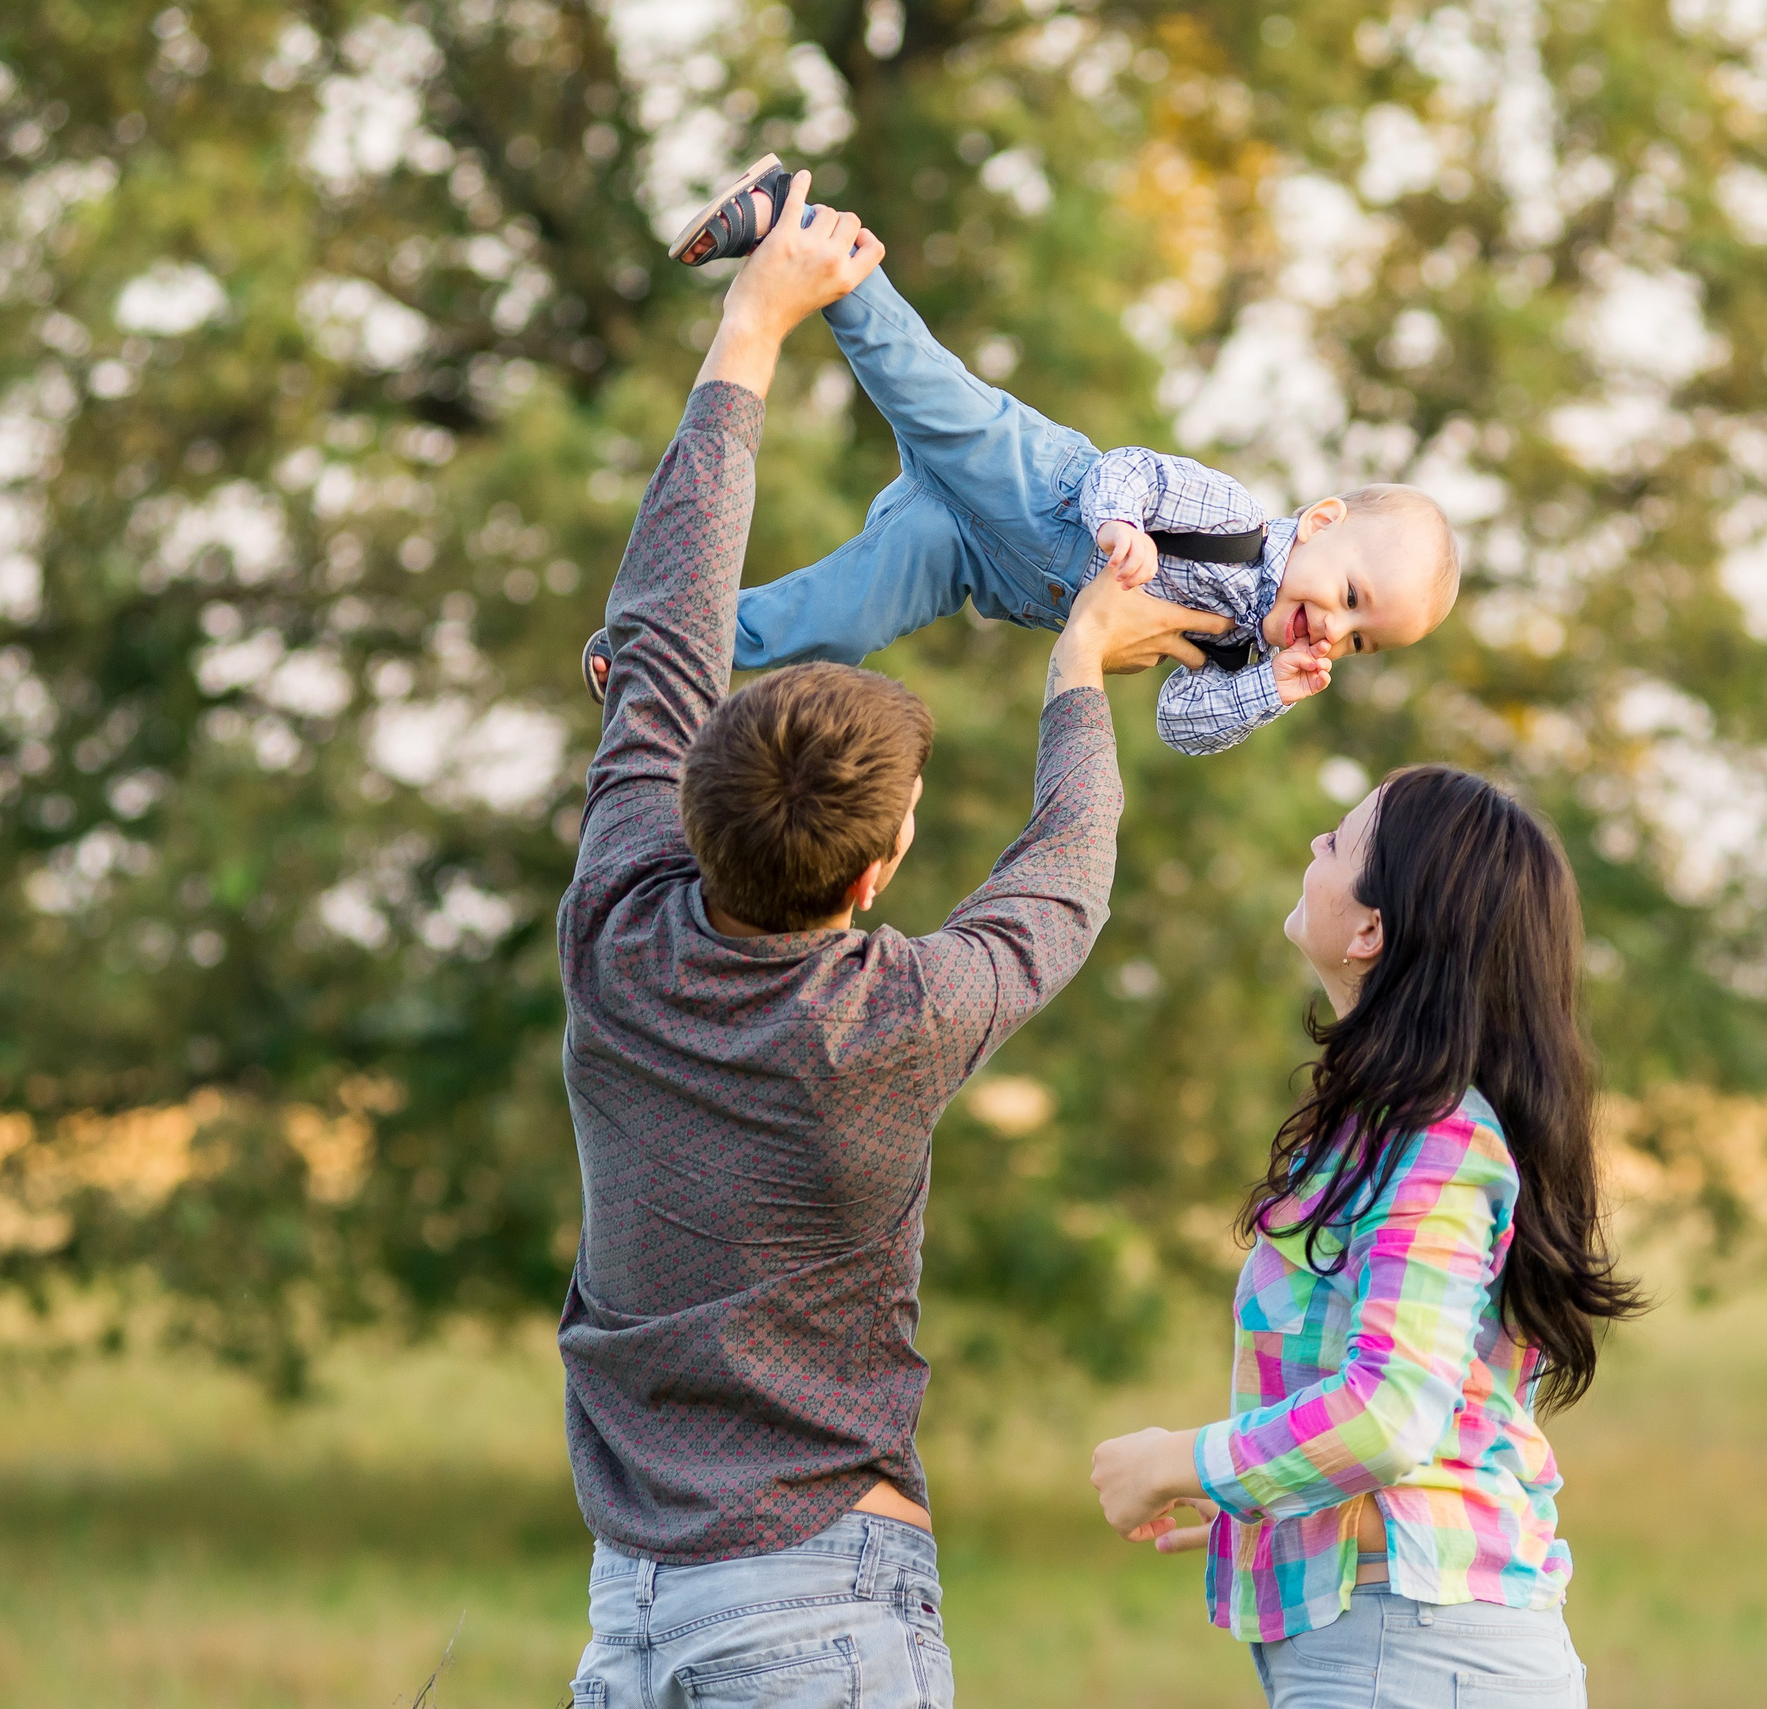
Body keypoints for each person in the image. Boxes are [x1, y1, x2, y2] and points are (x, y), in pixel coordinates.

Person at [557, 175, 1233, 1709]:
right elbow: (1065, 879)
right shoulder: (891, 1023)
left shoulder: (614, 929)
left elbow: (666, 624)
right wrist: (1081, 662)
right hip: (821, 1604)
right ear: (882, 865)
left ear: (688, 803)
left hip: (632, 1610)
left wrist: (750, 326)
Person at [585, 153, 1463, 757]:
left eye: (1358, 644)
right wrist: (1120, 526)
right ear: (1320, 523)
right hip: (1027, 481)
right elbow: (1132, 467)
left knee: (840, 622)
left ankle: (658, 643)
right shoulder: (1234, 520)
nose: (1335, 631)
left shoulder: (1240, 655)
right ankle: (799, 219)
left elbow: (1179, 724)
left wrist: (1272, 688)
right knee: (909, 374)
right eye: (1351, 598)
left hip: (967, 557)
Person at [1087, 765, 1646, 1707]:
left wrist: (1177, 1459)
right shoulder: (1399, 1128)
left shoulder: (1436, 1138)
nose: (1314, 846)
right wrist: (1244, 1491)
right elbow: (1422, 1408)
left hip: (1418, 1653)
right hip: (1407, 1645)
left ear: (1370, 930)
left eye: (1340, 843)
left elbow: (1388, 1415)